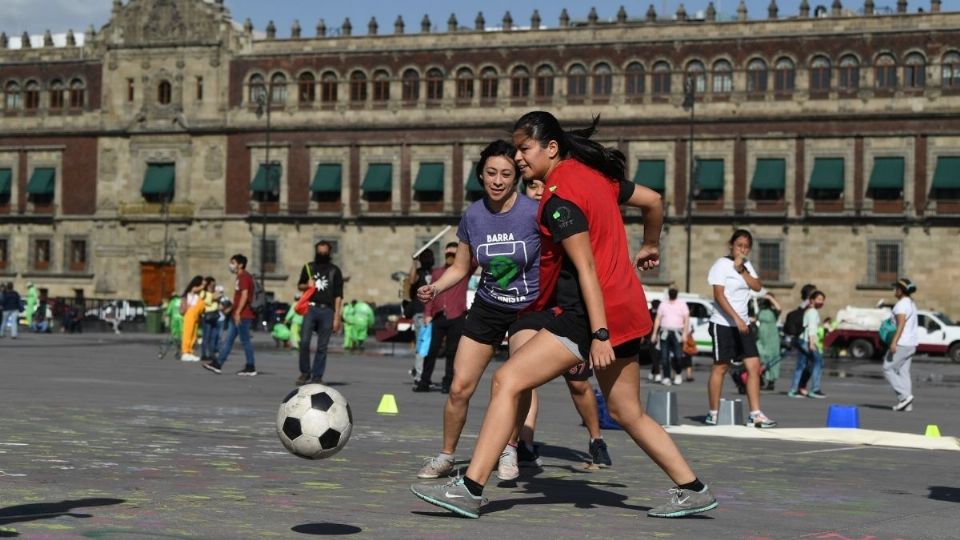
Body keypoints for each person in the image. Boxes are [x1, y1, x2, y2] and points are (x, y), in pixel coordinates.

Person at [411, 112, 716, 519]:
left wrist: (600, 333)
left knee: (507, 380)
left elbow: (586, 268)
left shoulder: (559, 201)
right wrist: (650, 243)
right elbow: (654, 201)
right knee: (627, 412)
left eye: (524, 149)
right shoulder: (598, 179)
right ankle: (693, 488)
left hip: (589, 314)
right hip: (628, 307)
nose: (518, 158)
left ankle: (470, 487)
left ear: (550, 148)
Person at [414, 140, 535, 480]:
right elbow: (462, 267)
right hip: (487, 306)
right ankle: (446, 455)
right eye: (492, 173)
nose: (498, 180)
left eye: (506, 174)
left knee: (516, 384)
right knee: (459, 387)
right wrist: (435, 288)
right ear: (481, 175)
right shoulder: (473, 215)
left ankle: (509, 450)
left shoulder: (533, 213)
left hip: (528, 308)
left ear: (516, 178)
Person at [512, 176, 612, 471]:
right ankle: (524, 445)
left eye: (542, 184)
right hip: (531, 312)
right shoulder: (523, 228)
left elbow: (588, 267)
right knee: (521, 377)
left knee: (578, 384)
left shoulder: (564, 220)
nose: (537, 189)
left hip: (564, 312)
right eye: (531, 185)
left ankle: (596, 440)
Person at [705, 230, 777, 428]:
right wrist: (736, 319)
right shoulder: (721, 265)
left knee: (754, 366)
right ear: (731, 245)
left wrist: (742, 270)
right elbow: (719, 295)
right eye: (739, 245)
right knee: (721, 366)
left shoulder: (745, 266)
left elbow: (757, 286)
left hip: (743, 324)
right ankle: (713, 413)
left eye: (746, 247)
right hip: (723, 323)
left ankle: (755, 414)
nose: (742, 250)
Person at [414, 242, 469, 393]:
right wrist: (427, 314)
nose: (450, 257)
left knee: (452, 352)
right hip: (438, 317)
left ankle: (448, 383)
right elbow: (430, 294)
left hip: (457, 315)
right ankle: (424, 381)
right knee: (431, 351)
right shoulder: (437, 272)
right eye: (448, 254)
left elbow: (475, 260)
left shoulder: (465, 271)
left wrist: (463, 250)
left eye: (453, 254)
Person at [296, 241, 344, 385]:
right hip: (310, 308)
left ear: (329, 253)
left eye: (325, 252)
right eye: (319, 251)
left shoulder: (335, 270)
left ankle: (317, 376)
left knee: (322, 346)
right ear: (316, 251)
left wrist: (337, 316)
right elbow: (299, 285)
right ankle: (305, 372)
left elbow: (338, 295)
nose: (322, 254)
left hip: (327, 310)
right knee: (304, 341)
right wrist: (307, 285)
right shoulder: (309, 267)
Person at [204, 254, 258, 376]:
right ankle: (218, 364)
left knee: (245, 341)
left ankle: (251, 366)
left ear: (240, 265)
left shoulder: (244, 277)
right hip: (237, 314)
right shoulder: (241, 277)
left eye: (233, 263)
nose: (231, 265)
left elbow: (244, 296)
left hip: (243, 315)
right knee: (229, 340)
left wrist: (238, 312)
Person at [884, 278, 918, 412]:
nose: (894, 290)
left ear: (900, 290)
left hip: (902, 343)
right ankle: (907, 405)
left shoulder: (901, 305)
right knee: (904, 372)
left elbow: (901, 325)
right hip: (911, 343)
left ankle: (904, 397)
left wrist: (894, 342)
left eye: (895, 288)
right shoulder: (911, 303)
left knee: (887, 368)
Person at [787, 290, 827, 399]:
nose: (821, 302)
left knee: (801, 365)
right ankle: (815, 389)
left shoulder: (808, 311)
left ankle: (793, 390)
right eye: (819, 299)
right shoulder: (813, 312)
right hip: (807, 341)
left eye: (823, 300)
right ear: (812, 300)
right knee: (818, 362)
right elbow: (812, 329)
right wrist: (812, 343)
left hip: (801, 340)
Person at [405, 250, 435, 381]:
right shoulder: (419, 272)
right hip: (420, 312)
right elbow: (411, 280)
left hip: (432, 313)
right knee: (422, 343)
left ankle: (418, 370)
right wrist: (414, 262)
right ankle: (419, 375)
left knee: (428, 345)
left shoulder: (435, 273)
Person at [652, 288, 689, 386]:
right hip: (665, 331)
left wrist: (685, 333)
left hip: (677, 332)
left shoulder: (682, 304)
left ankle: (678, 374)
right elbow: (658, 319)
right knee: (664, 357)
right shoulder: (663, 304)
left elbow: (686, 319)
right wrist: (654, 333)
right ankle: (667, 377)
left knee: (678, 356)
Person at [756, 293, 783, 391]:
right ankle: (760, 377)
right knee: (760, 356)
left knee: (772, 357)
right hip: (761, 336)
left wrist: (770, 298)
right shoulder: (760, 310)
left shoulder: (774, 311)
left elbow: (779, 308)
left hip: (772, 337)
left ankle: (771, 381)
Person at [179, 276, 206, 362]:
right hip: (189, 315)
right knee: (188, 334)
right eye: (201, 283)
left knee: (193, 335)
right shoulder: (191, 291)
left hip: (196, 316)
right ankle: (185, 352)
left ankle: (190, 351)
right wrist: (203, 285)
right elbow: (194, 289)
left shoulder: (197, 296)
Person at [200, 278, 222, 361]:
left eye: (214, 285)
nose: (213, 286)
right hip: (207, 315)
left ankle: (211, 354)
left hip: (215, 315)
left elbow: (218, 302)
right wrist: (213, 297)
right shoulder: (204, 293)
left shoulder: (214, 293)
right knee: (206, 336)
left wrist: (217, 298)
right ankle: (203, 354)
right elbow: (205, 301)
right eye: (211, 284)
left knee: (213, 336)